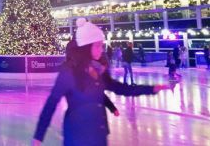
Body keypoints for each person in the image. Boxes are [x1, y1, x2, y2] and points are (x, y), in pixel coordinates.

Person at [32, 18, 170, 146]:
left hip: (99, 134)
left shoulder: (99, 70)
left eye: (101, 45)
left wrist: (151, 89)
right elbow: (51, 103)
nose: (101, 49)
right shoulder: (69, 72)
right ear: (86, 48)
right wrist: (38, 136)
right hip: (77, 135)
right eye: (97, 46)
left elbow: (120, 88)